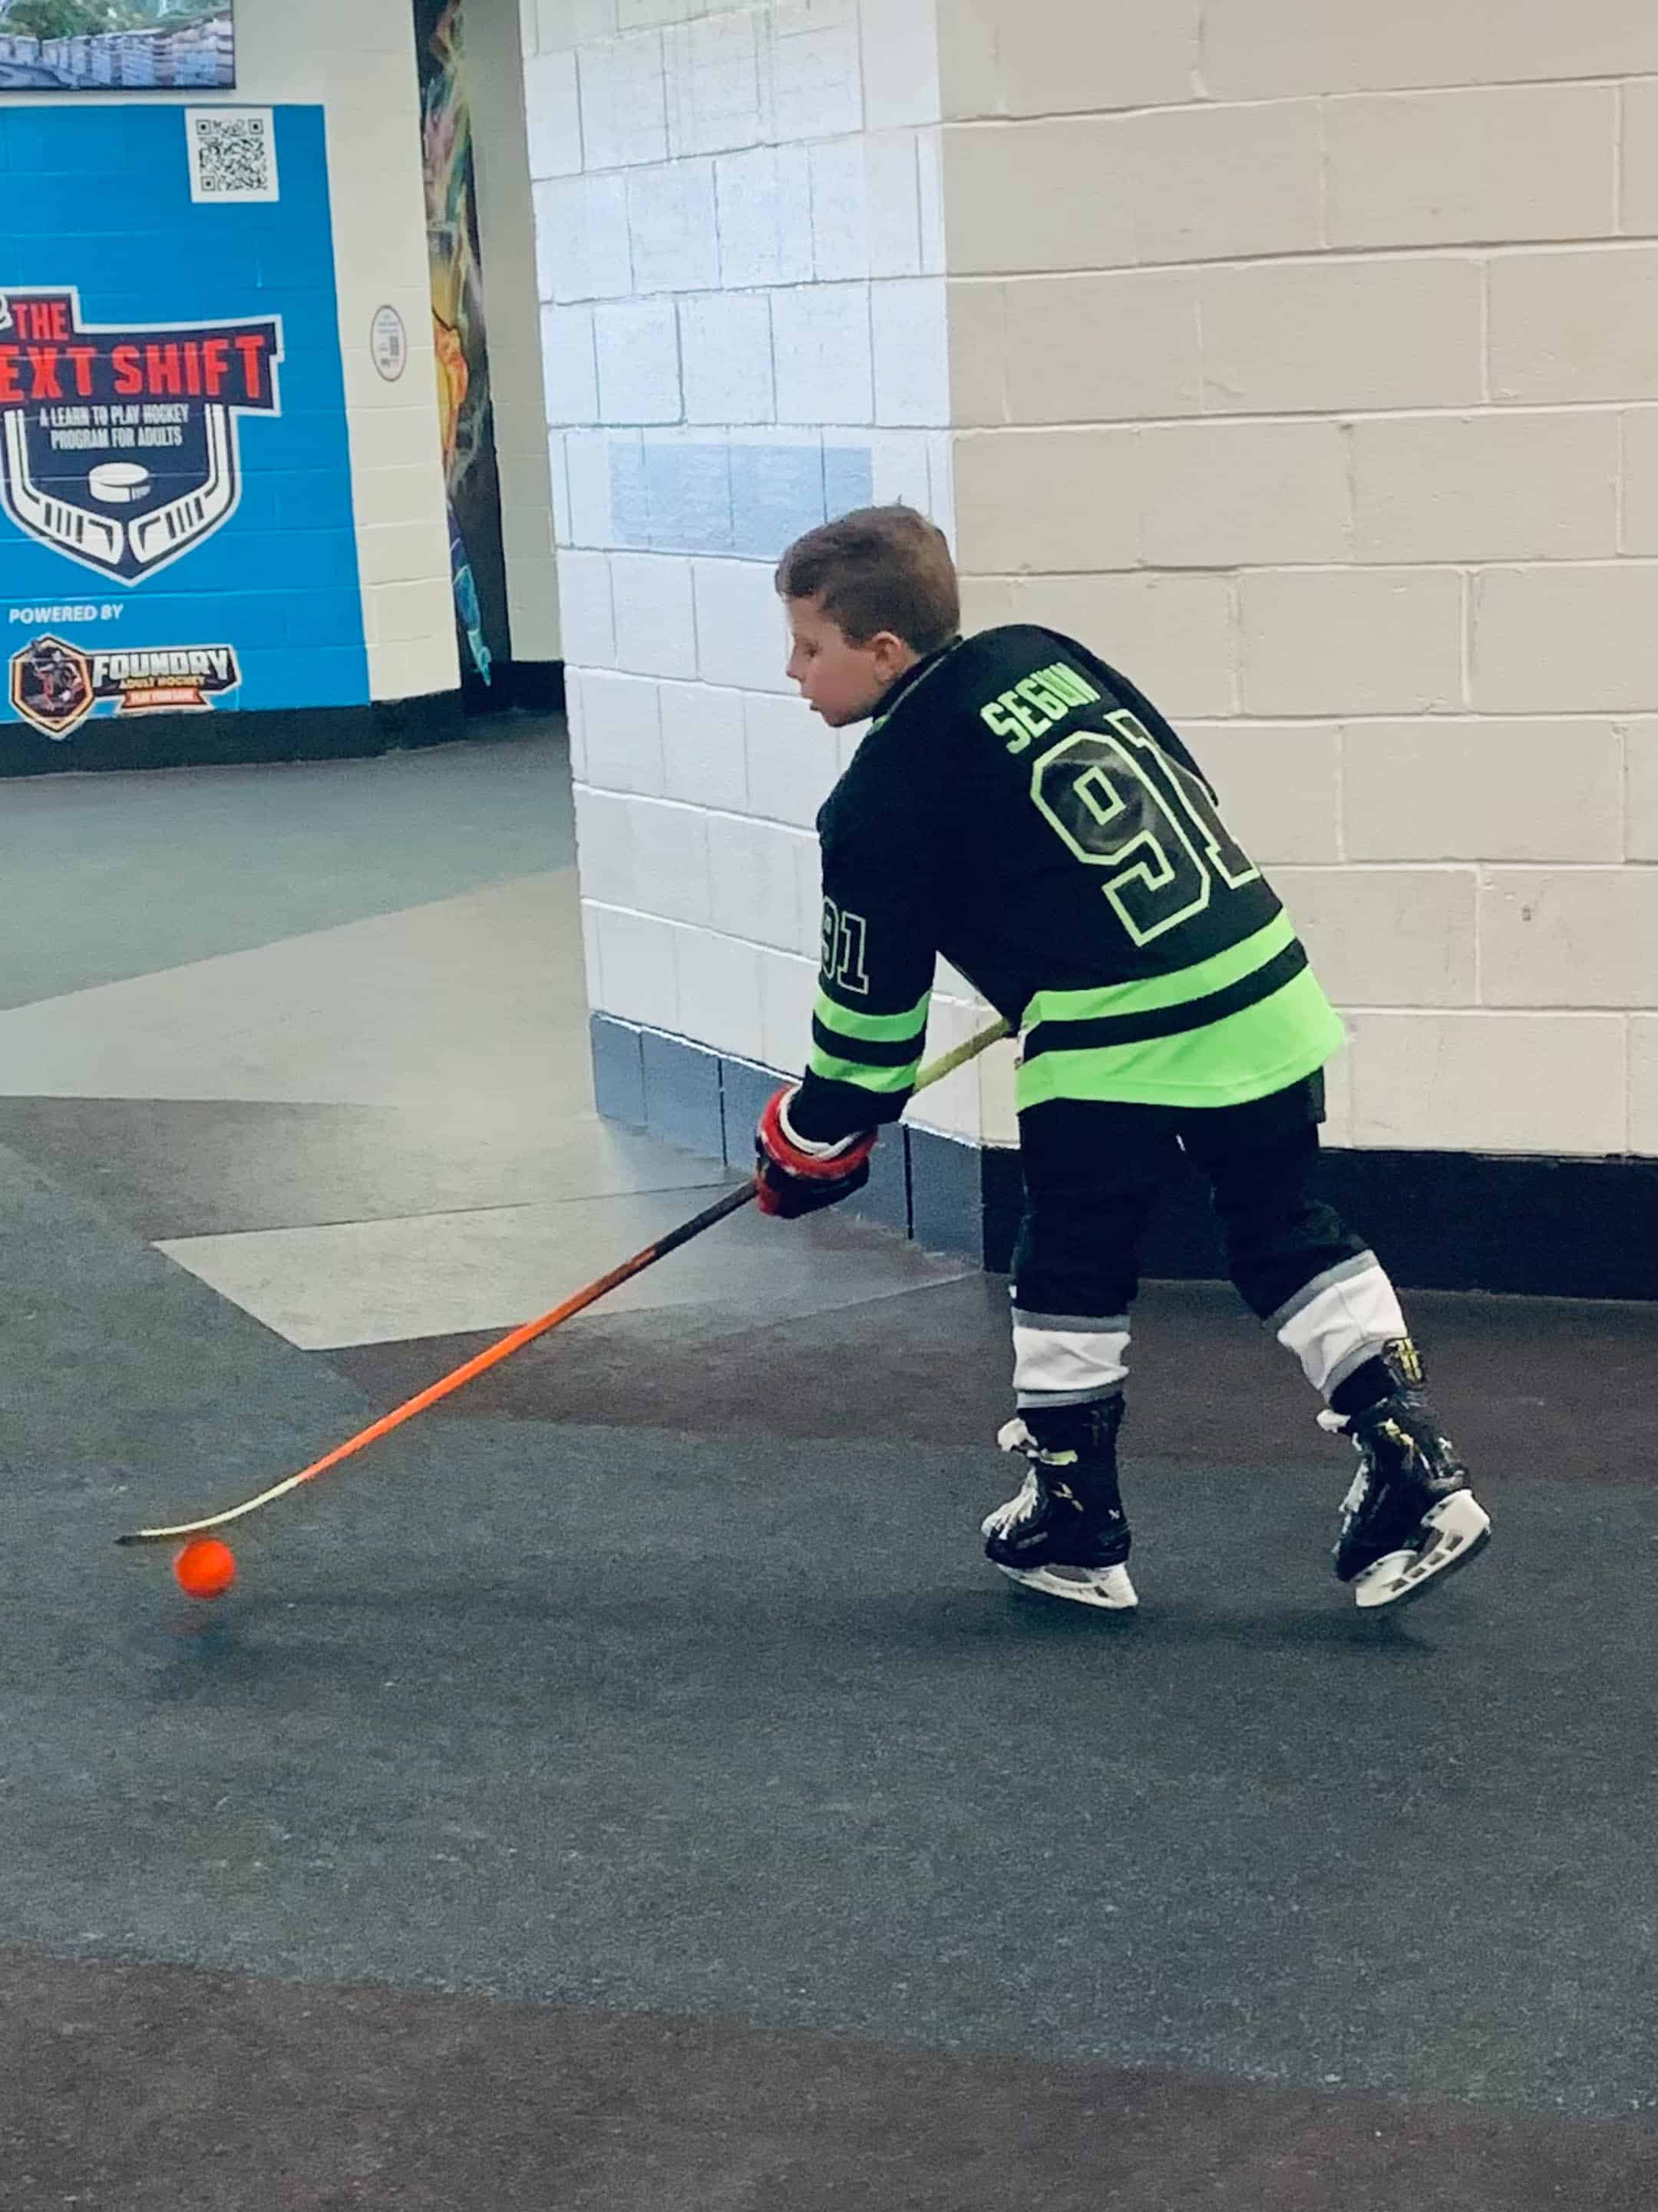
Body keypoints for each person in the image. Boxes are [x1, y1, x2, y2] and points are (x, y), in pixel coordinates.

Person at [751, 504, 1491, 1615]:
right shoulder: (1040, 653)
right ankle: (1415, 1461)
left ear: (886, 651)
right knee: (1282, 1223)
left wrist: (809, 1140)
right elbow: (1190, 790)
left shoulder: (874, 798)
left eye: (811, 646)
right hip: (1260, 979)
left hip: (1117, 1034)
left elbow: (870, 1031)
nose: (794, 671)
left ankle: (1074, 1520)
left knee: (1071, 1260)